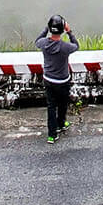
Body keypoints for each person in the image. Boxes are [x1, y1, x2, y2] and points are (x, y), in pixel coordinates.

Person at [36, 14, 78, 143]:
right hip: (63, 80)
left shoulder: (43, 44)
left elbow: (37, 40)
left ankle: (51, 135)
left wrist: (46, 29)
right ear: (62, 30)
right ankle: (61, 123)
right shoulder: (66, 47)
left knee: (51, 106)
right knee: (63, 103)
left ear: (50, 28)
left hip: (48, 79)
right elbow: (76, 45)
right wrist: (69, 32)